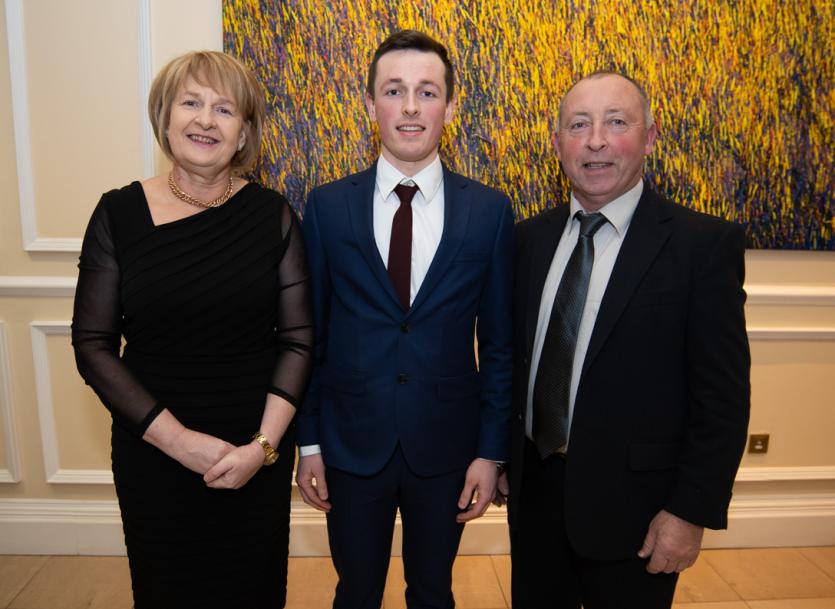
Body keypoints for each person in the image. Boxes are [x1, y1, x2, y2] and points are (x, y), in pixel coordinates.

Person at [72, 51, 312, 609]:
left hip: (254, 454)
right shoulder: (118, 213)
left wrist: (262, 448)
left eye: (225, 109)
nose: (206, 119)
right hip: (153, 452)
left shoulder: (274, 215)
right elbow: (93, 346)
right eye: (191, 102)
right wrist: (178, 443)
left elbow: (299, 342)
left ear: (244, 132)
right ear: (165, 115)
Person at [507, 71, 751, 609]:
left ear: (649, 136)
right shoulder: (527, 240)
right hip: (537, 502)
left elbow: (723, 400)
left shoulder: (702, 247)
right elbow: (516, 361)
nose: (595, 140)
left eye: (616, 122)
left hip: (639, 516)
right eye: (578, 125)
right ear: (557, 143)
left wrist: (689, 512)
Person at [296, 30, 513, 609]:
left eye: (427, 91)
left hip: (447, 447)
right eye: (395, 90)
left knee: (433, 592)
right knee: (356, 591)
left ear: (449, 105)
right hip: (349, 442)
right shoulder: (326, 206)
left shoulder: (489, 211)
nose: (411, 107)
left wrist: (489, 453)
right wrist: (309, 441)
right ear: (370, 105)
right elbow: (308, 336)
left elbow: (498, 346)